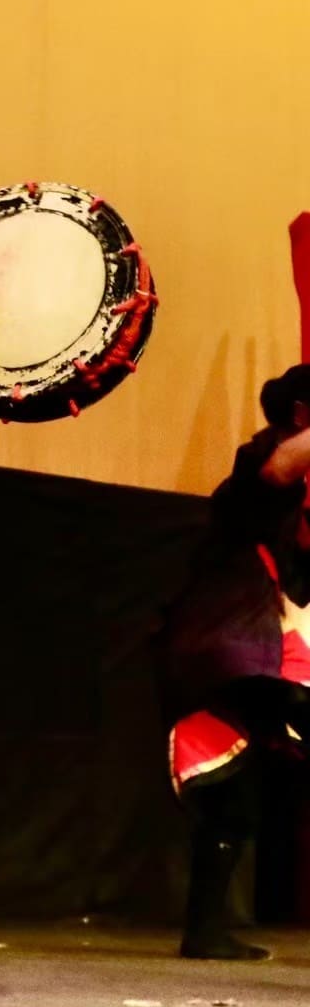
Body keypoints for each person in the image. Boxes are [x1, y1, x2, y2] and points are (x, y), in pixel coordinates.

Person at [162, 363, 310, 960]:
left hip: (247, 650)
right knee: (236, 792)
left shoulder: (291, 510)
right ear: (301, 414)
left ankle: (203, 932)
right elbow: (278, 469)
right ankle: (203, 931)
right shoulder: (261, 462)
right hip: (234, 647)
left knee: (234, 796)